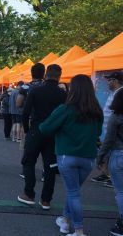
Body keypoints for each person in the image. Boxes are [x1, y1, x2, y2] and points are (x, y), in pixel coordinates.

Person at [39, 75, 103, 236]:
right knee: (73, 191)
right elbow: (99, 133)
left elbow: (45, 128)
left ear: (72, 89)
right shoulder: (97, 111)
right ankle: (65, 222)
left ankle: (79, 230)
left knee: (74, 193)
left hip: (67, 156)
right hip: (88, 158)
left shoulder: (65, 109)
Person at [18, 64, 67, 209]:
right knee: (50, 166)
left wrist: (27, 129)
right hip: (54, 134)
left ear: (46, 74)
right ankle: (46, 200)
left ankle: (29, 194)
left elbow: (25, 112)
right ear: (59, 76)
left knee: (28, 162)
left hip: (36, 130)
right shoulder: (63, 94)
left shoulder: (35, 90)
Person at [97, 89, 123, 235]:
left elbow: (108, 140)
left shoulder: (116, 117)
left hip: (118, 155)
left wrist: (100, 157)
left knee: (120, 192)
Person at [92, 72, 123, 186]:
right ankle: (107, 174)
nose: (107, 82)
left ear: (115, 81)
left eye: (109, 80)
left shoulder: (120, 93)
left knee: (111, 153)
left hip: (115, 131)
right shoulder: (114, 93)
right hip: (108, 130)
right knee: (107, 154)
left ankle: (112, 176)